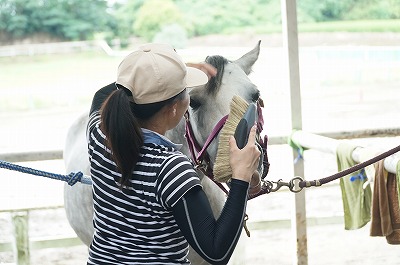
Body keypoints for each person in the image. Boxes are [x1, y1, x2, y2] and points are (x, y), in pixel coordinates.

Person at [86, 43, 261, 265]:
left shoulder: (99, 137)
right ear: (174, 109)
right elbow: (216, 252)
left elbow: (101, 95)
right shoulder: (171, 169)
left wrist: (157, 75)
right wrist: (241, 179)